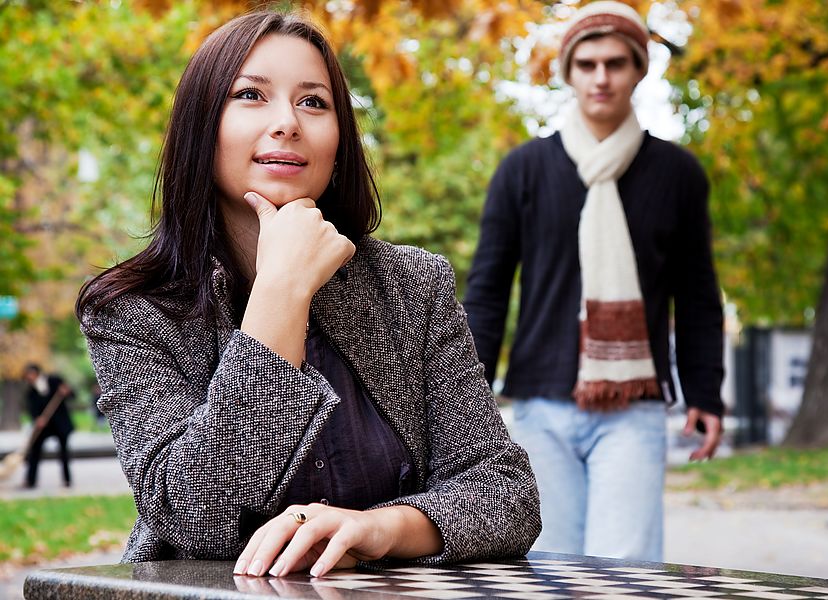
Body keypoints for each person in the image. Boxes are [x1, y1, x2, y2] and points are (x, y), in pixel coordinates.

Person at [76, 11, 539, 577]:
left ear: (340, 140)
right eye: (251, 95)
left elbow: (506, 494)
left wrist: (377, 528)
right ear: (202, 128)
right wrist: (282, 290)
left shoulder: (414, 285)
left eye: (313, 102)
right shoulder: (131, 308)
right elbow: (196, 516)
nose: (287, 123)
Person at [463, 1, 724, 562]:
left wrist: (705, 392)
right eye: (586, 64)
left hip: (633, 407)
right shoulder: (523, 169)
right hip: (539, 404)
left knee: (625, 577)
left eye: (615, 63)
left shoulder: (677, 174)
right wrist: (466, 395)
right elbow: (487, 289)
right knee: (547, 571)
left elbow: (698, 294)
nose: (601, 78)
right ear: (569, 73)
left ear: (639, 69)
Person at [22, 363, 75, 488]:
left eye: (30, 374)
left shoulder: (55, 381)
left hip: (60, 424)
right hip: (44, 427)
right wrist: (37, 419)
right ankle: (30, 480)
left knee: (63, 452)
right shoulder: (30, 392)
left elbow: (72, 395)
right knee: (35, 450)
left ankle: (67, 480)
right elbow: (32, 409)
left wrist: (66, 391)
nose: (28, 378)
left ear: (36, 373)